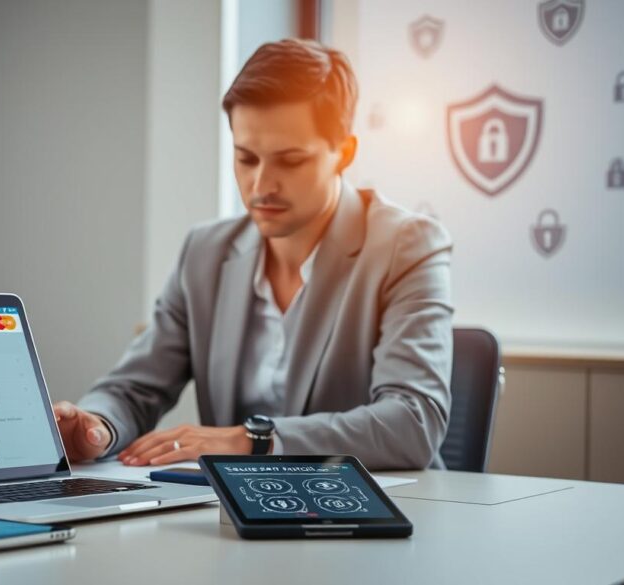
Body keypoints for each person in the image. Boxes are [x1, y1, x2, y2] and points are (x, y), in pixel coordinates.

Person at [54, 38, 453, 471]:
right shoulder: (206, 253)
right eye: (246, 158)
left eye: (291, 161)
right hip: (238, 517)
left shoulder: (407, 245)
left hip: (381, 512)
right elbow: (134, 389)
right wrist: (97, 427)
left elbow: (414, 423)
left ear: (345, 153)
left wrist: (254, 440)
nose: (262, 185)